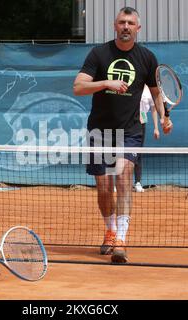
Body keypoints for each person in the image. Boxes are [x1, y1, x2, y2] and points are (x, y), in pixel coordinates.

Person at [73, 6, 172, 263]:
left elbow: (156, 92)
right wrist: (106, 83)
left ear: (138, 28)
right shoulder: (99, 54)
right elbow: (78, 86)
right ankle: (110, 230)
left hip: (130, 130)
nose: (125, 26)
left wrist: (164, 117)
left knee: (125, 175)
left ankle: (121, 239)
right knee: (104, 188)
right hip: (100, 129)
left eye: (130, 23)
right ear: (114, 26)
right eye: (121, 22)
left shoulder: (147, 58)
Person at [134, 86, 160, 193]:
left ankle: (137, 182)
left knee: (138, 154)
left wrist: (156, 128)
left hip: (141, 122)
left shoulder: (149, 90)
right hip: (127, 121)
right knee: (123, 153)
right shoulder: (131, 84)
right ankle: (119, 183)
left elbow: (154, 109)